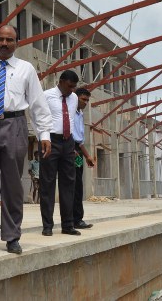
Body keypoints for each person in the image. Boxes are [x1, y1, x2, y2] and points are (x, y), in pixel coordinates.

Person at [0, 25, 52, 255]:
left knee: (13, 184)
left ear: (18, 42)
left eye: (10, 40)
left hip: (15, 125)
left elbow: (37, 103)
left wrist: (44, 134)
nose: (4, 44)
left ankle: (12, 235)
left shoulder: (26, 69)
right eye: (0, 39)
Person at [41, 70, 80, 237]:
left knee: (68, 184)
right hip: (51, 141)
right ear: (61, 81)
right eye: (70, 86)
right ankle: (47, 226)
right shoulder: (46, 95)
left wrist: (73, 145)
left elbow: (70, 119)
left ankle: (68, 225)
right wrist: (43, 137)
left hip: (67, 142)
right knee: (47, 184)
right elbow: (39, 117)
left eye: (74, 87)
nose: (72, 90)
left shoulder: (74, 98)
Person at [72, 87, 96, 229]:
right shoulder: (70, 112)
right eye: (83, 99)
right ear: (76, 98)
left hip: (77, 151)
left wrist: (87, 156)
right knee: (71, 185)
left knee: (78, 184)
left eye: (87, 100)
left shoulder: (80, 114)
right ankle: (72, 220)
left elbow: (80, 140)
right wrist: (71, 149)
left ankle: (77, 219)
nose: (85, 103)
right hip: (70, 149)